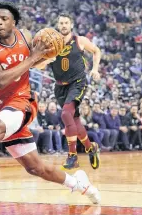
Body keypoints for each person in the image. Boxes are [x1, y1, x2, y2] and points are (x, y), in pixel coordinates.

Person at [0, 2, 100, 211]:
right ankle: (82, 185)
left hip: (23, 102)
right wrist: (33, 58)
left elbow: (38, 61)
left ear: (14, 23)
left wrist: (46, 56)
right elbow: (1, 80)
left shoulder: (27, 37)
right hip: (3, 108)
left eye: (4, 19)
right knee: (36, 168)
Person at [35, 13, 101, 170]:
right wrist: (44, 60)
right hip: (60, 86)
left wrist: (95, 69)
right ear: (58, 26)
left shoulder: (80, 40)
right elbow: (39, 66)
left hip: (77, 82)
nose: (64, 25)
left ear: (71, 25)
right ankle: (90, 148)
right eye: (61, 23)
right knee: (74, 120)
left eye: (66, 23)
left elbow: (96, 51)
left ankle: (72, 156)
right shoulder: (51, 44)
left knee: (65, 114)